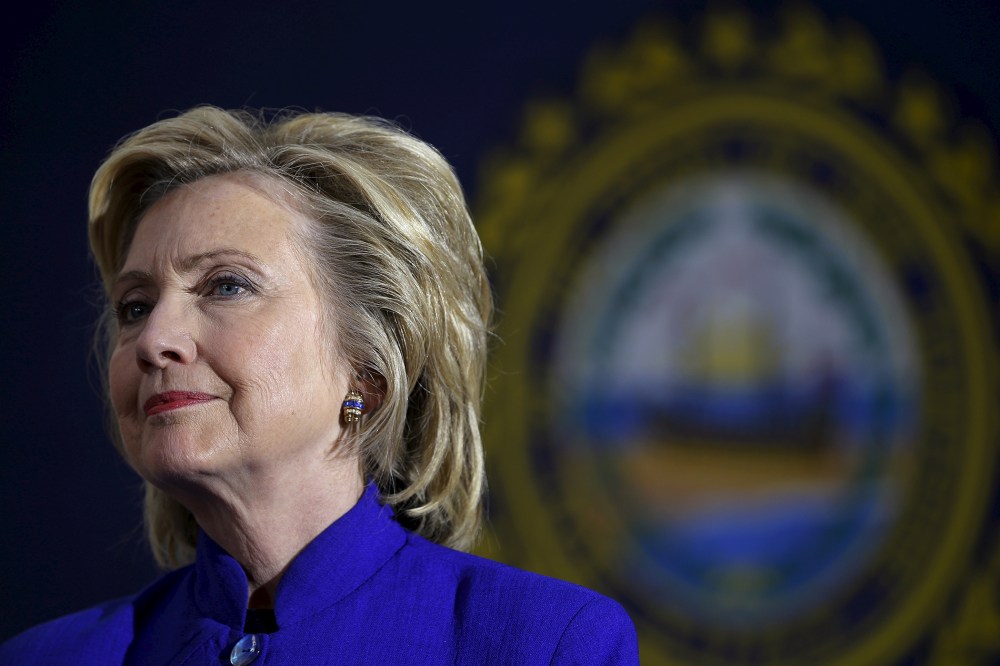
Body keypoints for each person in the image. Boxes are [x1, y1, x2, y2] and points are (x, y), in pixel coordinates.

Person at [0, 106, 638, 665]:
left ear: (370, 368)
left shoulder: (543, 643)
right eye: (135, 306)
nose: (154, 339)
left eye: (227, 286)